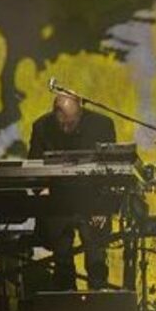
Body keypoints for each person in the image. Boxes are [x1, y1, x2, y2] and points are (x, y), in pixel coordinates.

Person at [27, 90, 118, 290]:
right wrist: (40, 190)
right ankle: (67, 306)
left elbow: (112, 171)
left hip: (93, 200)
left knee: (96, 259)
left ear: (80, 113)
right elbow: (34, 167)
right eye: (61, 124)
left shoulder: (102, 125)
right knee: (62, 260)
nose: (65, 128)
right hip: (58, 200)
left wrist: (102, 205)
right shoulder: (42, 127)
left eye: (70, 123)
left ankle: (98, 303)